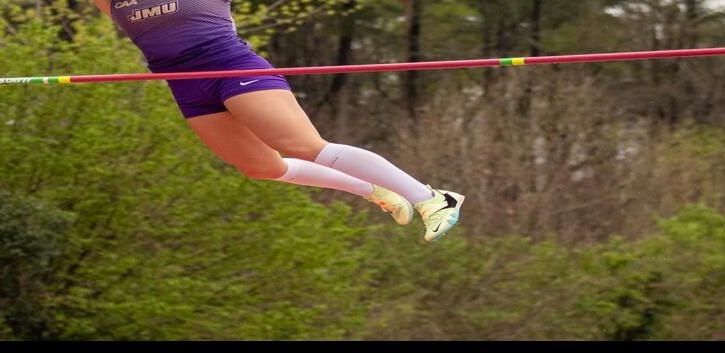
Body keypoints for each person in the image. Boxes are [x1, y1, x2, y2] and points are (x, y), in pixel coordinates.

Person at [90, 0, 464, 242]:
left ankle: (433, 198)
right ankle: (374, 190)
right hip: (184, 83)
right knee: (260, 166)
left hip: (231, 67)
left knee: (302, 145)